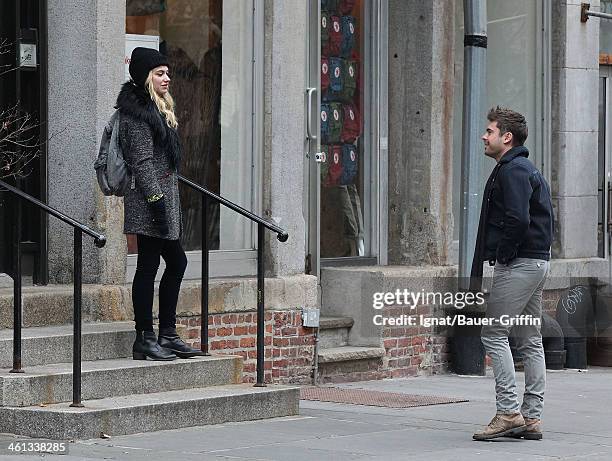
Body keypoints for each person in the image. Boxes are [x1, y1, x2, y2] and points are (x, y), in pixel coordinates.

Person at [471, 107, 554, 441]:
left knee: (492, 333)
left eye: (489, 130)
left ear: (506, 137)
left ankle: (508, 412)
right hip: (535, 262)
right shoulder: (521, 167)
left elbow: (518, 219)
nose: (484, 135)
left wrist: (504, 255)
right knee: (529, 337)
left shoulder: (513, 169)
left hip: (520, 263)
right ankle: (531, 418)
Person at [116, 46, 203, 360]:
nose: (167, 78)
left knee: (175, 263)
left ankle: (167, 334)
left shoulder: (158, 107)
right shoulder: (136, 113)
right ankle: (145, 337)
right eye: (159, 73)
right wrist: (157, 203)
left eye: (167, 72)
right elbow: (141, 162)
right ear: (144, 76)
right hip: (149, 203)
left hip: (162, 202)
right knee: (148, 267)